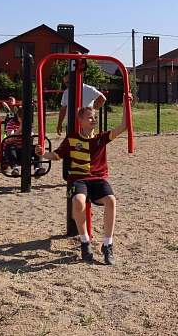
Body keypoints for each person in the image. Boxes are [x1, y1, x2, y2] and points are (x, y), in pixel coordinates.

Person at [36, 98, 131, 265]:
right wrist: (43, 154)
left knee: (111, 200)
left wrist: (125, 103)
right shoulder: (72, 139)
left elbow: (124, 126)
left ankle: (107, 244)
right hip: (78, 178)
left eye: (95, 116)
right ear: (80, 121)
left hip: (97, 178)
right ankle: (85, 241)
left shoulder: (102, 138)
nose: (94, 119)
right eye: (89, 117)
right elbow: (56, 155)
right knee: (78, 201)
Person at [3, 107, 46, 178]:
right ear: (17, 116)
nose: (23, 121)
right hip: (15, 150)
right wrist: (20, 129)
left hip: (25, 149)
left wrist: (31, 134)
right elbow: (10, 139)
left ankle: (37, 168)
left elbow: (32, 134)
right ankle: (15, 168)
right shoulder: (11, 123)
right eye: (21, 119)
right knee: (9, 147)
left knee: (38, 148)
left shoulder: (29, 123)